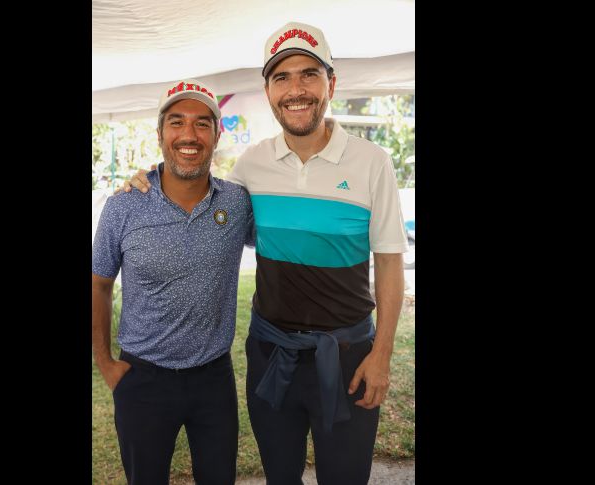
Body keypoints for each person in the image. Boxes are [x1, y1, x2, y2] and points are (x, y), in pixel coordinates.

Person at [123, 22, 408, 485]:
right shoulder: (251, 165)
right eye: (282, 77)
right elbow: (202, 195)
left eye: (308, 74)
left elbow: (392, 265)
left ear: (330, 84)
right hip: (270, 352)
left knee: (345, 476)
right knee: (279, 474)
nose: (296, 89)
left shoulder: (372, 162)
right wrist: (147, 181)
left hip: (350, 355)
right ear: (269, 91)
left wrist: (382, 353)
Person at [92, 78, 255, 485]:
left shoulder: (236, 204)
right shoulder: (124, 206)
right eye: (177, 122)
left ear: (217, 135)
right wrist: (106, 365)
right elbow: (98, 284)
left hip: (213, 379)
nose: (189, 135)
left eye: (202, 124)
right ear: (161, 132)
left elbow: (285, 237)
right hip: (143, 379)